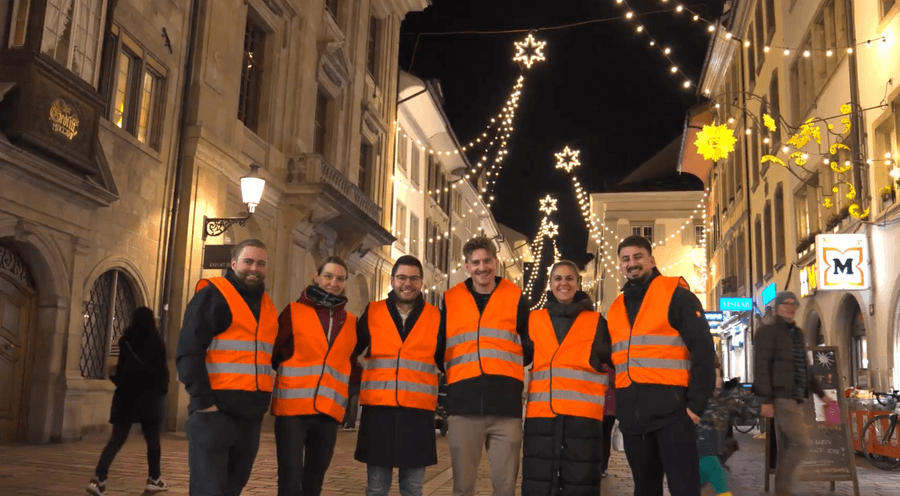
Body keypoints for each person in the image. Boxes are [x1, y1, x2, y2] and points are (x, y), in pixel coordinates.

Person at [607, 235, 716, 496]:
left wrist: (695, 408)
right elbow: (613, 359)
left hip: (674, 416)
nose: (632, 263)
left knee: (684, 489)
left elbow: (703, 351)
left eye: (638, 257)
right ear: (620, 266)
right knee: (644, 490)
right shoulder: (615, 307)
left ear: (651, 260)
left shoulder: (677, 296)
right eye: (626, 259)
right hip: (635, 420)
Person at [176, 239, 278, 496]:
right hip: (214, 415)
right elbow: (188, 352)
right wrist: (205, 404)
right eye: (248, 261)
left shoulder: (267, 304)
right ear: (234, 264)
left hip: (250, 420)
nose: (254, 268)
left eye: (260, 263)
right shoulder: (212, 294)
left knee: (232, 490)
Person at [438, 235, 532, 496]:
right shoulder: (451, 299)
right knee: (463, 488)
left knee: (505, 489)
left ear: (496, 262)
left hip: (506, 410)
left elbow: (529, 347)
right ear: (467, 266)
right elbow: (439, 348)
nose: (482, 267)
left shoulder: (515, 298)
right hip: (463, 408)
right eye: (475, 262)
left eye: (487, 261)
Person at [354, 255, 442, 496]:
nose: (407, 283)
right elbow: (349, 351)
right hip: (378, 413)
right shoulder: (373, 311)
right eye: (402, 277)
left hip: (418, 414)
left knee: (413, 490)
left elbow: (449, 362)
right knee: (376, 488)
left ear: (421, 283)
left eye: (414, 278)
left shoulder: (436, 317)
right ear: (392, 280)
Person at [270, 256, 357, 496]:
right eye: (328, 276)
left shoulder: (350, 322)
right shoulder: (294, 311)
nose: (333, 283)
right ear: (316, 277)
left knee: (314, 482)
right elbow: (276, 353)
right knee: (289, 480)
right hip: (292, 411)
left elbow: (349, 363)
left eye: (340, 279)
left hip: (328, 413)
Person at [522, 261, 610, 496]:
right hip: (541, 421)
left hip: (583, 425)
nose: (564, 283)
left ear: (579, 284)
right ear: (550, 284)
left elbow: (618, 362)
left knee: (579, 489)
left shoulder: (597, 323)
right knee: (539, 488)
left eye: (570, 278)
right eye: (558, 278)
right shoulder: (533, 320)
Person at [753, 291, 832, 496]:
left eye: (793, 303)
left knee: (788, 445)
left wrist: (821, 393)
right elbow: (761, 367)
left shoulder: (798, 333)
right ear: (778, 307)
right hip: (781, 397)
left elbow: (805, 367)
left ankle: (782, 490)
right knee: (801, 443)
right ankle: (785, 490)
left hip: (797, 398)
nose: (790, 307)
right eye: (785, 303)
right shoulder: (768, 332)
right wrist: (766, 399)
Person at [87, 307, 170, 496]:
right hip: (149, 399)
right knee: (152, 441)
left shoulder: (124, 342)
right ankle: (154, 479)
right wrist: (160, 391)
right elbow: (163, 373)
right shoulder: (157, 343)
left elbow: (115, 370)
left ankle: (98, 478)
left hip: (125, 398)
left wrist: (122, 382)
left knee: (116, 440)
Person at [697, 363, 758, 496]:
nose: (718, 379)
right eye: (714, 376)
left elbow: (747, 412)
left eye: (719, 376)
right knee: (719, 479)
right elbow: (749, 411)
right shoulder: (719, 398)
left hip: (709, 451)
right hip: (705, 451)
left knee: (703, 482)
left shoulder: (722, 398)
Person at [601, 363, 616, 477]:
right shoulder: (613, 368)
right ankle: (603, 467)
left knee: (599, 438)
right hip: (610, 410)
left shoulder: (598, 366)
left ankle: (599, 466)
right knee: (606, 438)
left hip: (597, 408)